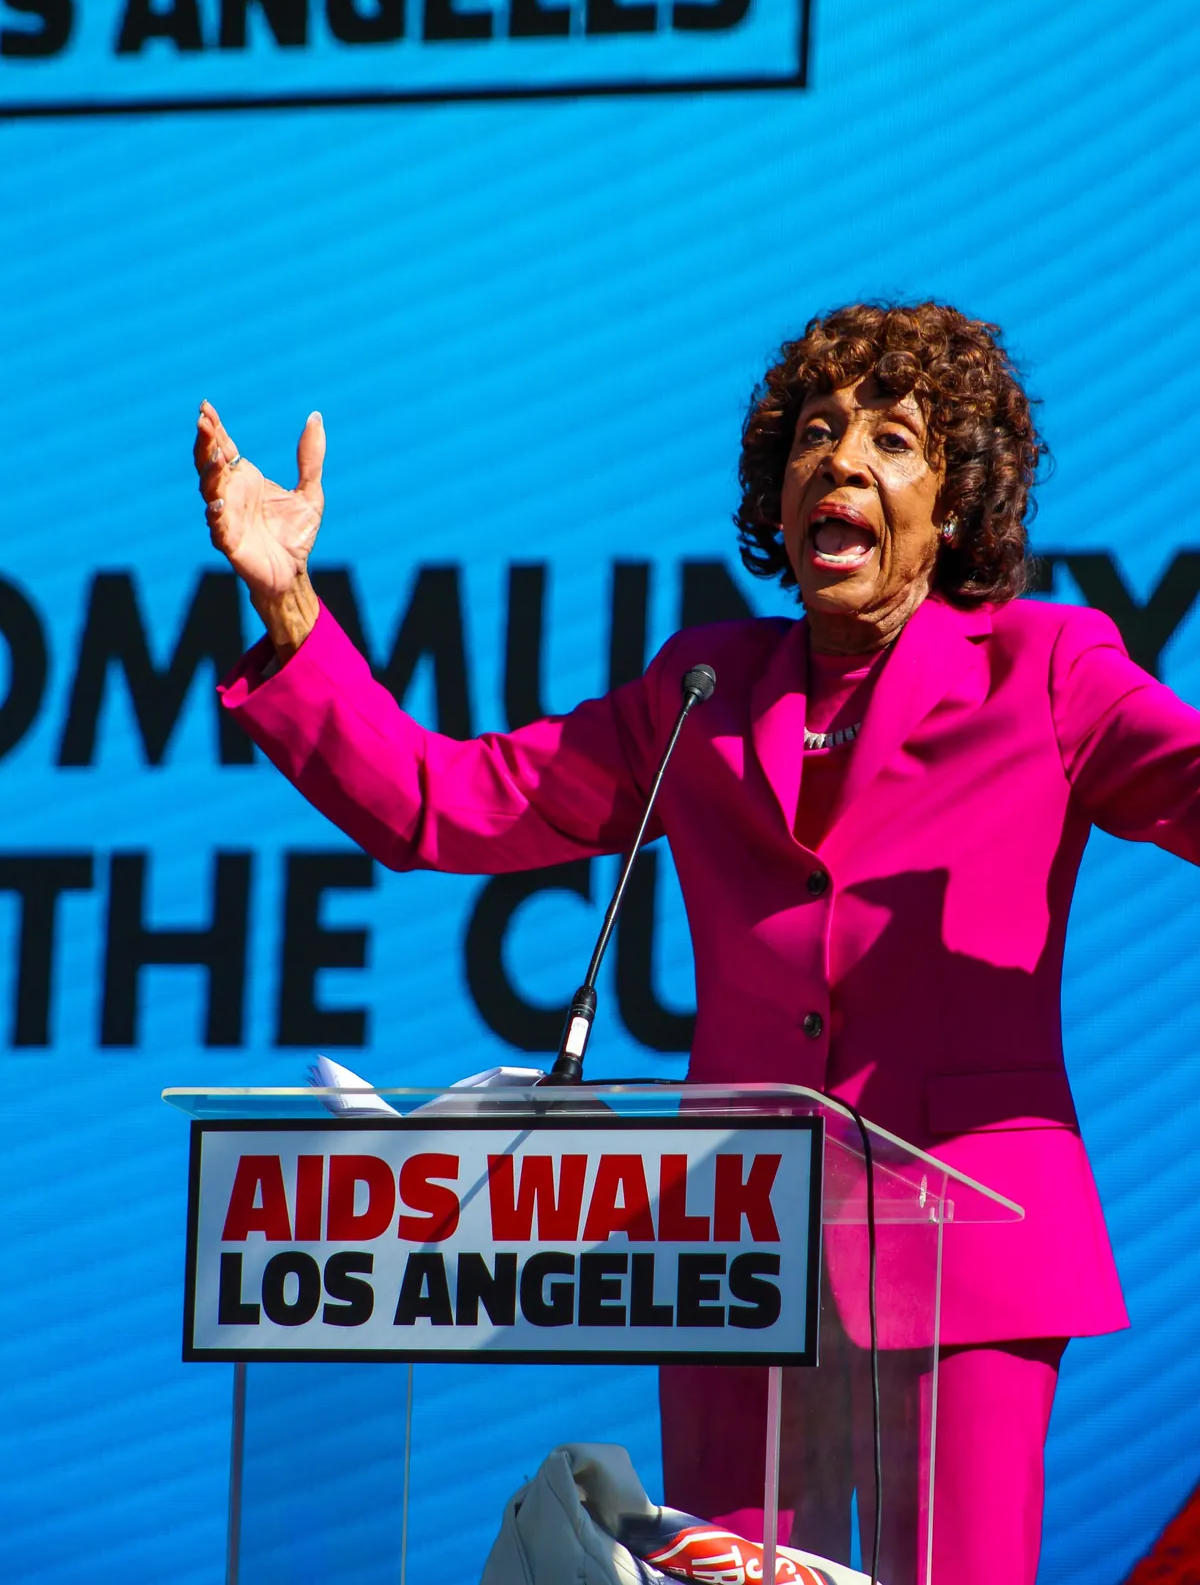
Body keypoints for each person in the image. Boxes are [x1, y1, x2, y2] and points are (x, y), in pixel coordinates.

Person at [194, 301, 1199, 1584]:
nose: (840, 462)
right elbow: (444, 801)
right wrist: (288, 604)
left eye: (892, 441)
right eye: (816, 434)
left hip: (967, 1253)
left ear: (952, 507)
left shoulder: (1045, 668)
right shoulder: (705, 691)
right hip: (740, 1260)